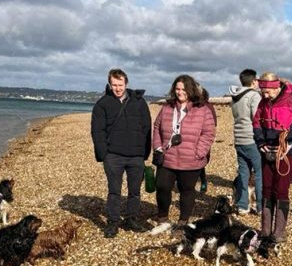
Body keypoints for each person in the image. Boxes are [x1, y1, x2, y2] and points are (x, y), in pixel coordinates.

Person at [253, 72, 292, 252]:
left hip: (288, 151)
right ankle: (265, 229)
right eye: (262, 91)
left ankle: (278, 231)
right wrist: (260, 142)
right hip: (267, 150)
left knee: (281, 189)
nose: (265, 95)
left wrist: (288, 137)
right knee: (266, 188)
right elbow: (256, 123)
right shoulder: (263, 102)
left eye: (268, 92)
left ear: (277, 88)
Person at [90, 68, 152, 238]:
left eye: (120, 84)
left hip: (136, 156)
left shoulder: (139, 102)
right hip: (113, 156)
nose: (117, 88)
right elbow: (97, 131)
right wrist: (104, 155)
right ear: (110, 84)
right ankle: (113, 222)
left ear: (126, 83)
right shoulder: (103, 104)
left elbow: (147, 128)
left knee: (135, 191)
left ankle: (132, 219)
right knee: (114, 192)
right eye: (114, 84)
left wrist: (144, 153)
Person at [152, 75, 217, 224]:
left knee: (187, 190)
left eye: (184, 89)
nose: (180, 92)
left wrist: (198, 152)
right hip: (167, 156)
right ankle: (162, 217)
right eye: (177, 89)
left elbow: (209, 133)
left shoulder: (203, 109)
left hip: (191, 159)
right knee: (162, 187)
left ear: (191, 90)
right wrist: (157, 147)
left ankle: (183, 221)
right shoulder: (167, 107)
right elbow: (156, 127)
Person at [229, 68, 262, 214]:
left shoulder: (234, 96)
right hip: (251, 138)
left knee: (243, 172)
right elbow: (257, 117)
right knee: (260, 172)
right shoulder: (254, 96)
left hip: (239, 138)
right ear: (253, 81)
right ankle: (259, 206)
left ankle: (243, 205)